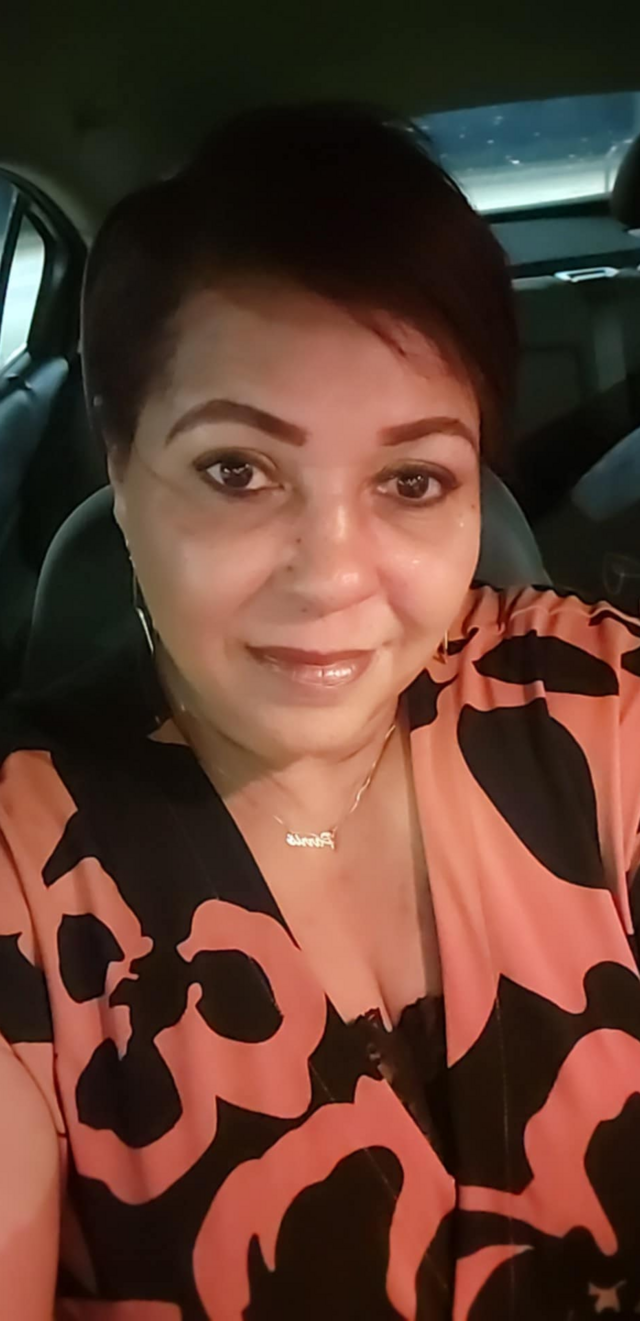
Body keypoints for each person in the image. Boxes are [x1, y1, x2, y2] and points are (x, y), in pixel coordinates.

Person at [1, 102, 640, 1321]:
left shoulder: (594, 706)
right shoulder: (24, 873)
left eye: (412, 479)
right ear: (119, 464)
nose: (333, 577)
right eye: (238, 471)